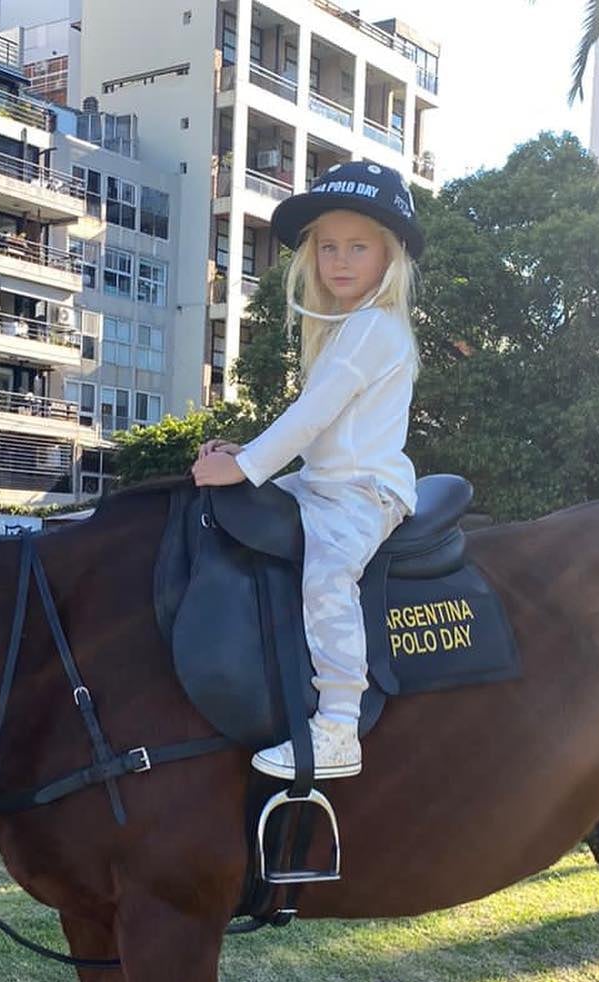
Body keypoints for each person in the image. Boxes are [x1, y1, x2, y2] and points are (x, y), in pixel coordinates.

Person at [191, 161, 423, 779]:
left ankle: (340, 723)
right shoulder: (347, 328)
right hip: (321, 481)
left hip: (361, 492)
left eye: (358, 247)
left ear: (388, 257)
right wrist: (247, 456)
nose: (340, 260)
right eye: (327, 247)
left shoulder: (374, 327)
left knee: (327, 575)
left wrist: (246, 466)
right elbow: (315, 426)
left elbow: (312, 416)